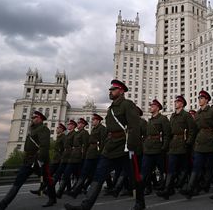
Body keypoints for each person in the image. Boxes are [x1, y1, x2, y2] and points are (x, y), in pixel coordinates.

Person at [64, 79, 144, 210]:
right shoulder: (111, 108)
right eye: (110, 89)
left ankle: (140, 203)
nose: (110, 91)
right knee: (99, 175)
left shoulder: (128, 105)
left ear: (121, 91)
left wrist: (131, 146)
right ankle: (85, 206)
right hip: (111, 147)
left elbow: (134, 127)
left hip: (124, 147)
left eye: (113, 89)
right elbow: (109, 130)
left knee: (133, 176)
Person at [0, 111, 56, 209]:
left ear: (40, 118)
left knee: (48, 180)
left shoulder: (43, 129)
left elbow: (44, 146)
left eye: (34, 117)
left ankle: (52, 198)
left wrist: (40, 160)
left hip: (39, 161)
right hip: (29, 160)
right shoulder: (32, 129)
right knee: (19, 180)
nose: (32, 119)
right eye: (32, 117)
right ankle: (4, 203)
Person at [180, 90, 213, 199]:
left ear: (207, 100)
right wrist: (193, 143)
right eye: (199, 98)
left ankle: (205, 185)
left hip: (210, 142)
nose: (199, 100)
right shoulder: (197, 113)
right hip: (199, 143)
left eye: (202, 98)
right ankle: (190, 188)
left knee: (209, 167)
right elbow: (194, 130)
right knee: (196, 166)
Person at [157, 95, 196, 200]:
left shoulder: (186, 115)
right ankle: (167, 190)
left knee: (183, 167)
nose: (175, 103)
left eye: (177, 102)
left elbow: (192, 130)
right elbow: (169, 131)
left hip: (182, 144)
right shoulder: (173, 116)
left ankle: (178, 186)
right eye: (175, 101)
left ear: (182, 104)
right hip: (173, 144)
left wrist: (188, 142)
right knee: (171, 168)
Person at [69, 114, 107, 198]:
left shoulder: (102, 128)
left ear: (98, 120)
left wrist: (100, 153)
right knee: (88, 172)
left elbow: (103, 142)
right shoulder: (94, 129)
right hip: (90, 153)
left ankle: (77, 190)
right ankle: (80, 189)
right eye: (92, 119)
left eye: (93, 120)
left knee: (89, 172)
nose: (92, 121)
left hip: (95, 154)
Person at [141, 99, 171, 195]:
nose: (151, 107)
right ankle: (148, 187)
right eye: (151, 106)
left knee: (163, 170)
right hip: (148, 149)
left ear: (157, 108)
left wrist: (164, 147)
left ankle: (166, 187)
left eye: (152, 106)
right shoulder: (150, 120)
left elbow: (167, 134)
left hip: (158, 149)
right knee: (146, 170)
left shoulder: (163, 119)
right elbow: (146, 135)